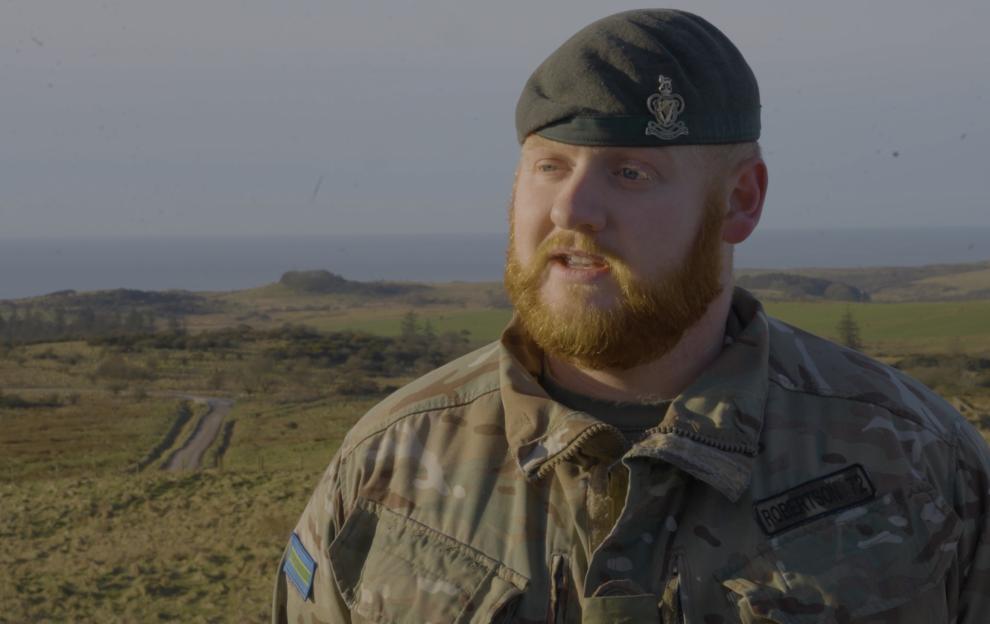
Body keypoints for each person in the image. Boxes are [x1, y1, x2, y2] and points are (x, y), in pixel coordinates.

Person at [272, 9, 990, 623]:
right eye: (550, 166)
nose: (573, 211)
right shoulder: (386, 466)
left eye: (631, 173)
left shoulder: (913, 461)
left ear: (741, 200)